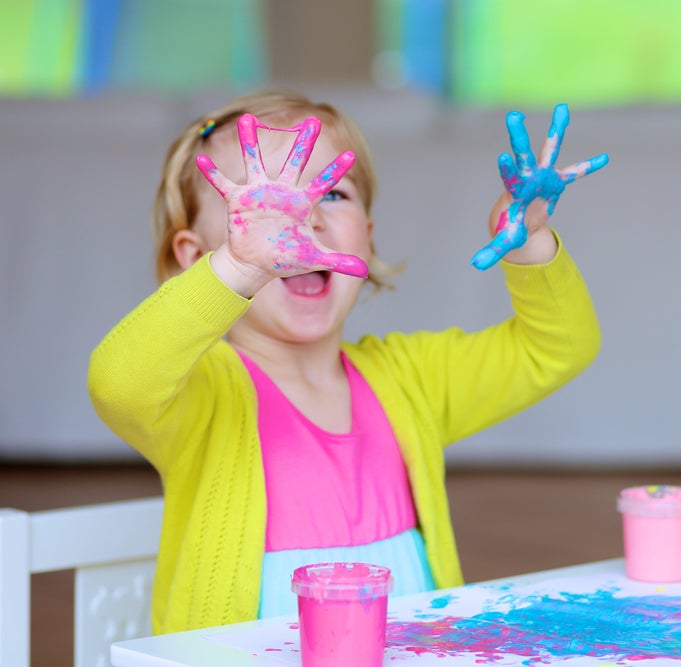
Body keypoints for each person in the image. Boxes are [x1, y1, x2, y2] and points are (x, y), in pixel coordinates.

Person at [87, 90, 607, 635]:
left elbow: (558, 348)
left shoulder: (411, 380)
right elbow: (118, 383)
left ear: (367, 236)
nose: (301, 219)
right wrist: (239, 268)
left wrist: (532, 243)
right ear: (197, 257)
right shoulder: (202, 395)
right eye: (263, 204)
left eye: (332, 193)